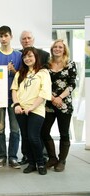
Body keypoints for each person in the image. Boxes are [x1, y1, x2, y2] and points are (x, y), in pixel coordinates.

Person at [11, 47, 52, 175]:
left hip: (36, 109)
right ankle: (31, 163)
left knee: (34, 137)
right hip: (21, 109)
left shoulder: (43, 72)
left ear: (36, 57)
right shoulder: (20, 73)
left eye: (30, 56)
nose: (27, 59)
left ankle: (40, 163)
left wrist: (32, 107)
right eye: (25, 57)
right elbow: (14, 90)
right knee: (26, 137)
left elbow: (44, 93)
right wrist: (17, 105)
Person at [41, 39, 77, 172]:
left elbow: (72, 84)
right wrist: (52, 97)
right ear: (52, 49)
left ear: (64, 50)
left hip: (64, 104)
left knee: (64, 133)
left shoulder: (70, 64)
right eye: (55, 47)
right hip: (48, 103)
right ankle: (52, 158)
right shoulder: (46, 66)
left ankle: (62, 160)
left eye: (60, 47)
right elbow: (42, 84)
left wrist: (60, 97)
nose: (57, 49)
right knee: (44, 131)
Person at [0, 25, 21, 169]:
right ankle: (1, 157)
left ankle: (13, 157)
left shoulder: (19, 55)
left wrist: (14, 71)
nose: (3, 39)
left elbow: (23, 78)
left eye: (6, 35)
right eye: (1, 36)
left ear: (11, 36)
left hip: (14, 98)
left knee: (15, 129)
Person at [19, 30, 51, 165]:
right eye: (24, 39)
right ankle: (28, 157)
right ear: (20, 41)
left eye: (28, 38)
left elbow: (46, 80)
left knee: (36, 134)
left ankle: (41, 158)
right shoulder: (18, 55)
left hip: (39, 101)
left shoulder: (44, 56)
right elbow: (20, 77)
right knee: (25, 135)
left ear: (33, 39)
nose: (26, 40)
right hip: (22, 103)